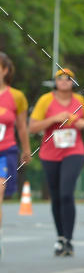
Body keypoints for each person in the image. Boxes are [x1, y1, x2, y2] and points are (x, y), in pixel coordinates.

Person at [29, 67, 84, 256]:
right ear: (55, 82)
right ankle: (60, 237)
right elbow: (32, 127)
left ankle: (69, 239)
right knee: (56, 197)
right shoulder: (45, 100)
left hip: (74, 151)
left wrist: (82, 124)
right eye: (60, 78)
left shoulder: (79, 101)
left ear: (73, 82)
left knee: (66, 194)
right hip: (50, 153)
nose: (64, 81)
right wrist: (55, 118)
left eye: (68, 78)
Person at [0, 52, 31, 252]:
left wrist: (26, 149)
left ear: (5, 70)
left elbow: (21, 127)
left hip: (6, 151)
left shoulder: (16, 96)